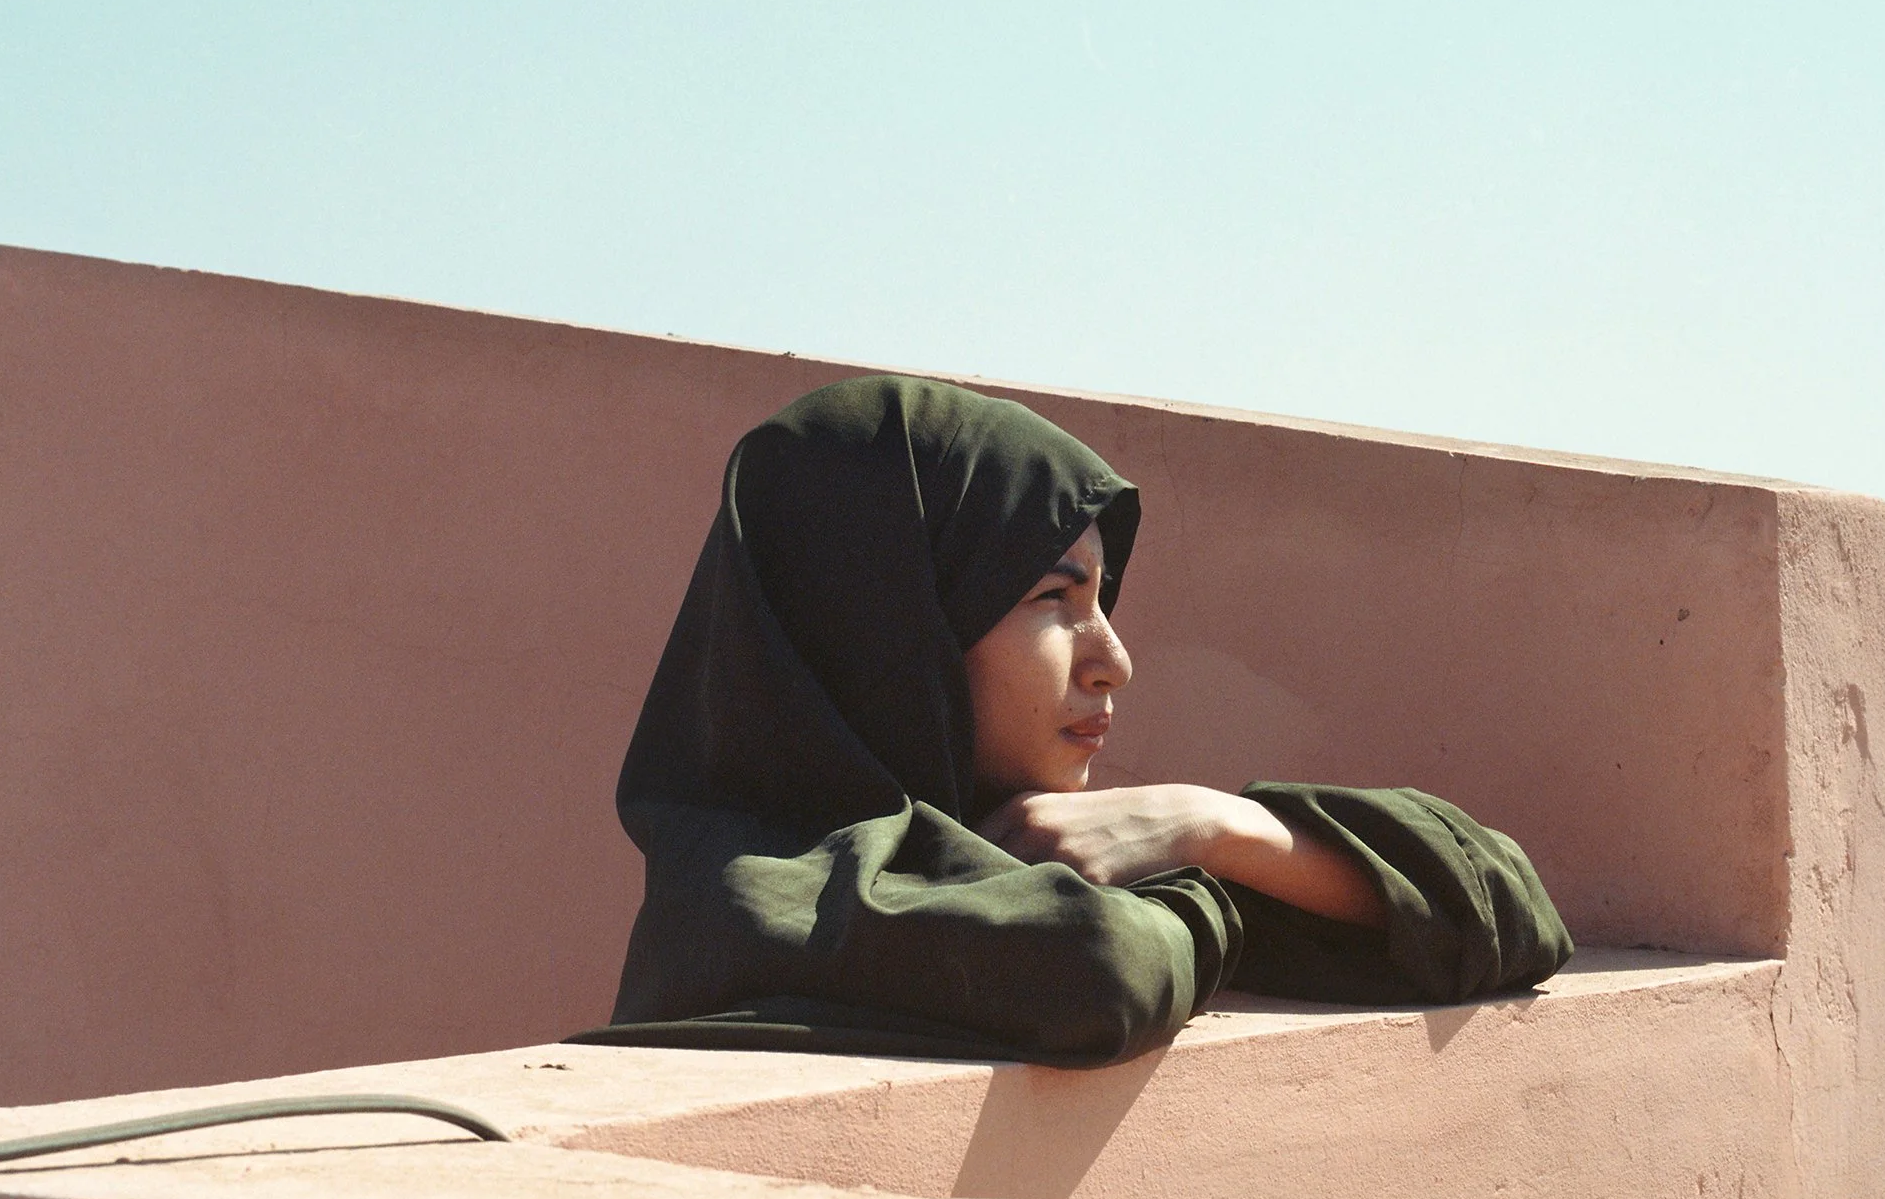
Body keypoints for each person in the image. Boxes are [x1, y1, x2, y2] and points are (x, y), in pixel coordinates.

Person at [576, 374, 1572, 1066]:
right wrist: (1212, 890)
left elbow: (1503, 906)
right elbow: (1098, 969)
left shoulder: (996, 853)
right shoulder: (751, 899)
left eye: (1104, 601)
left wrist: (1203, 824)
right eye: (1053, 600)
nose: (1114, 661)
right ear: (891, 628)